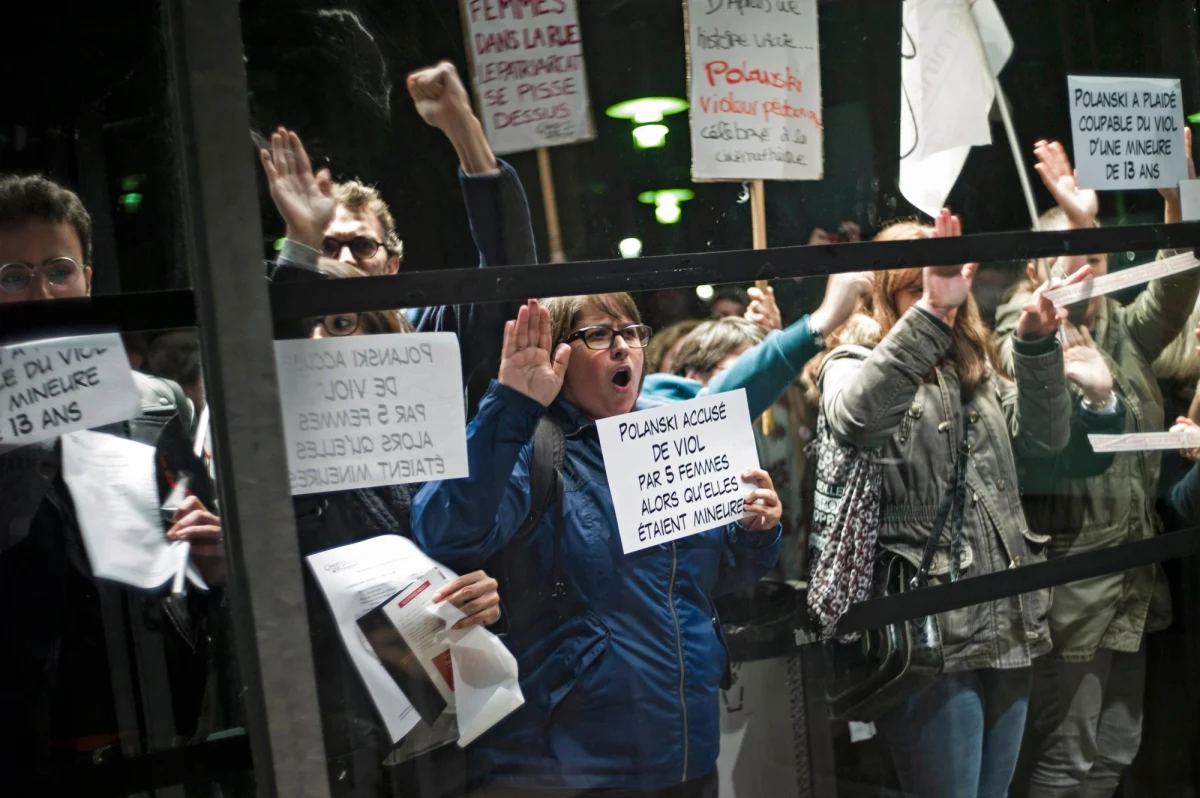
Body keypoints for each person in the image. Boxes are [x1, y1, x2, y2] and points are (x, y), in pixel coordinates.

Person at [411, 296, 784, 796]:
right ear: (558, 354)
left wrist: (756, 531)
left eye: (631, 333)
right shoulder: (531, 445)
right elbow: (444, 528)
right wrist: (512, 404)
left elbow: (713, 581)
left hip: (689, 755)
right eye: (599, 335)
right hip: (574, 766)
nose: (622, 347)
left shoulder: (670, 434)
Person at [817, 210, 1088, 798]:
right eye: (918, 285)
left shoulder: (979, 369)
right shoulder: (852, 360)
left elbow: (1045, 440)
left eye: (949, 282)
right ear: (890, 298)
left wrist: (1037, 348)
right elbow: (857, 418)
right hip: (929, 626)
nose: (942, 295)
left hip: (1005, 612)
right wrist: (931, 316)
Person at [995, 140, 1200, 798]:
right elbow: (1045, 430)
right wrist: (1080, 224)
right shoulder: (1022, 337)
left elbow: (1181, 274)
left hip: (1132, 579)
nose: (1094, 273)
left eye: (1102, 259)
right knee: (1066, 758)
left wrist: (1181, 196)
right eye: (1082, 260)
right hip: (1072, 588)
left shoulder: (1125, 330)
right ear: (1038, 270)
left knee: (1115, 750)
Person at [0, 174, 217, 781]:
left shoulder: (159, 402)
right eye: (13, 277)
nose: (41, 295)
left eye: (59, 270)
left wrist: (213, 557)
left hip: (154, 716)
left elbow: (197, 554)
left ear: (89, 281)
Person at [261, 61, 536, 416]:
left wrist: (465, 133)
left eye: (362, 245)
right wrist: (300, 237)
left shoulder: (425, 331)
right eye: (327, 247)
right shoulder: (299, 329)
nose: (344, 260)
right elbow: (264, 362)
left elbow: (507, 282)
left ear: (392, 265)